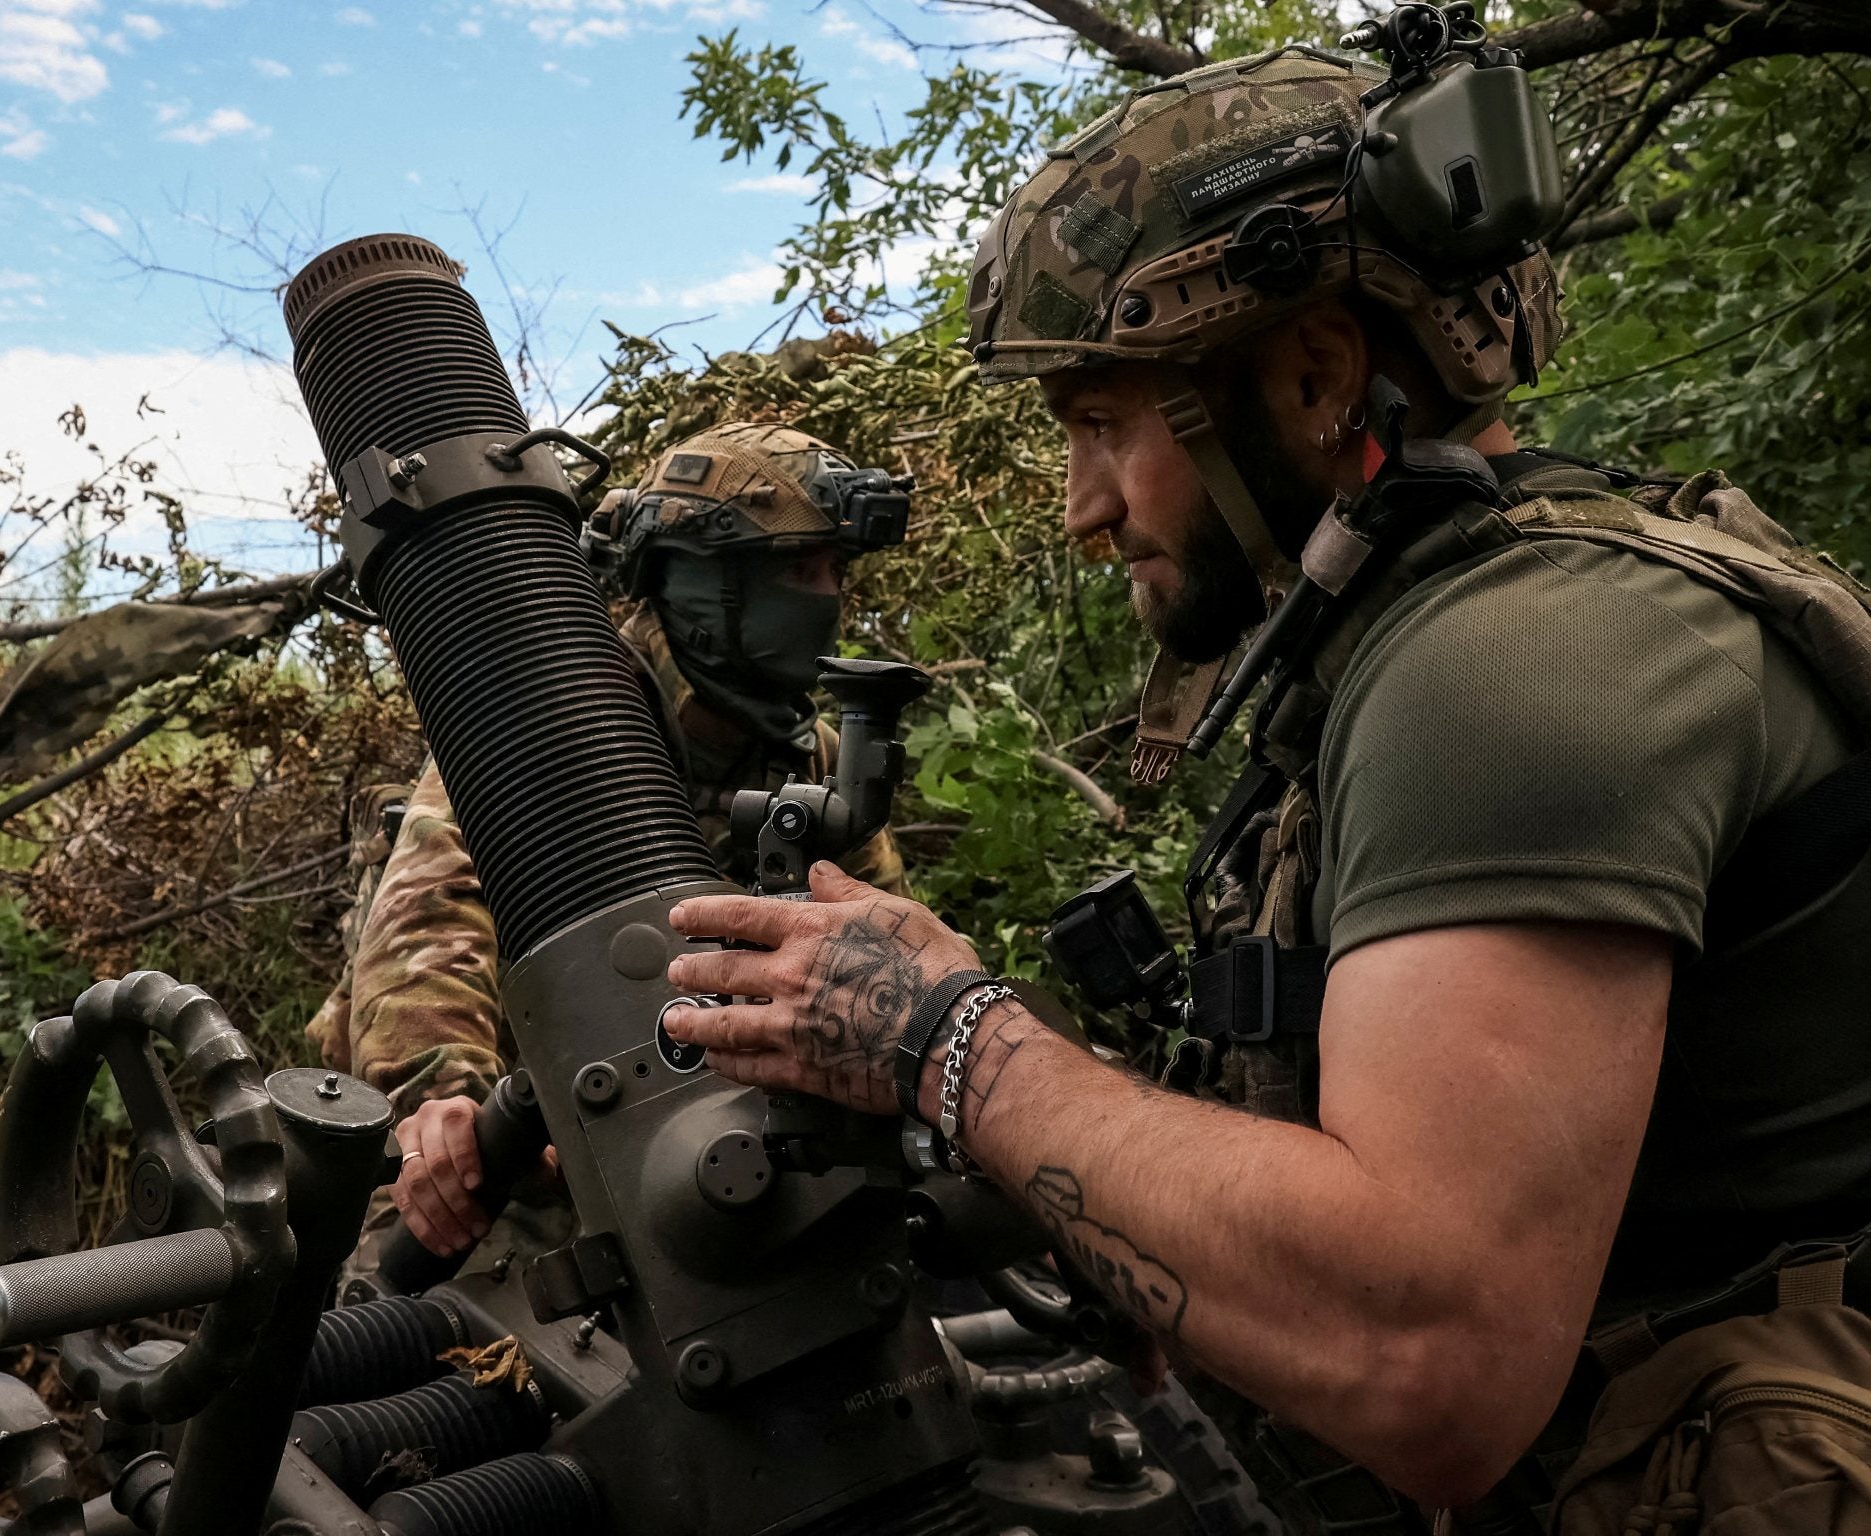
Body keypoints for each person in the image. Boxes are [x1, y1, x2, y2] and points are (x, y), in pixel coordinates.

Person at [656, 42, 1871, 1532]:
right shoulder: (1455, 614)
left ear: (1312, 375)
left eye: (1104, 427)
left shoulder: (1521, 657)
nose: (1083, 509)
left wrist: (950, 1042)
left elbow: (1428, 1353)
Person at [307, 420, 912, 1258]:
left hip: (697, 1123)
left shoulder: (809, 753)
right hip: (512, 1126)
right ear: (701, 586)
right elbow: (431, 921)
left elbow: (882, 943)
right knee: (402, 1329)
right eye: (798, 571)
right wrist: (443, 1103)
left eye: (835, 572)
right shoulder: (564, 704)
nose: (826, 598)